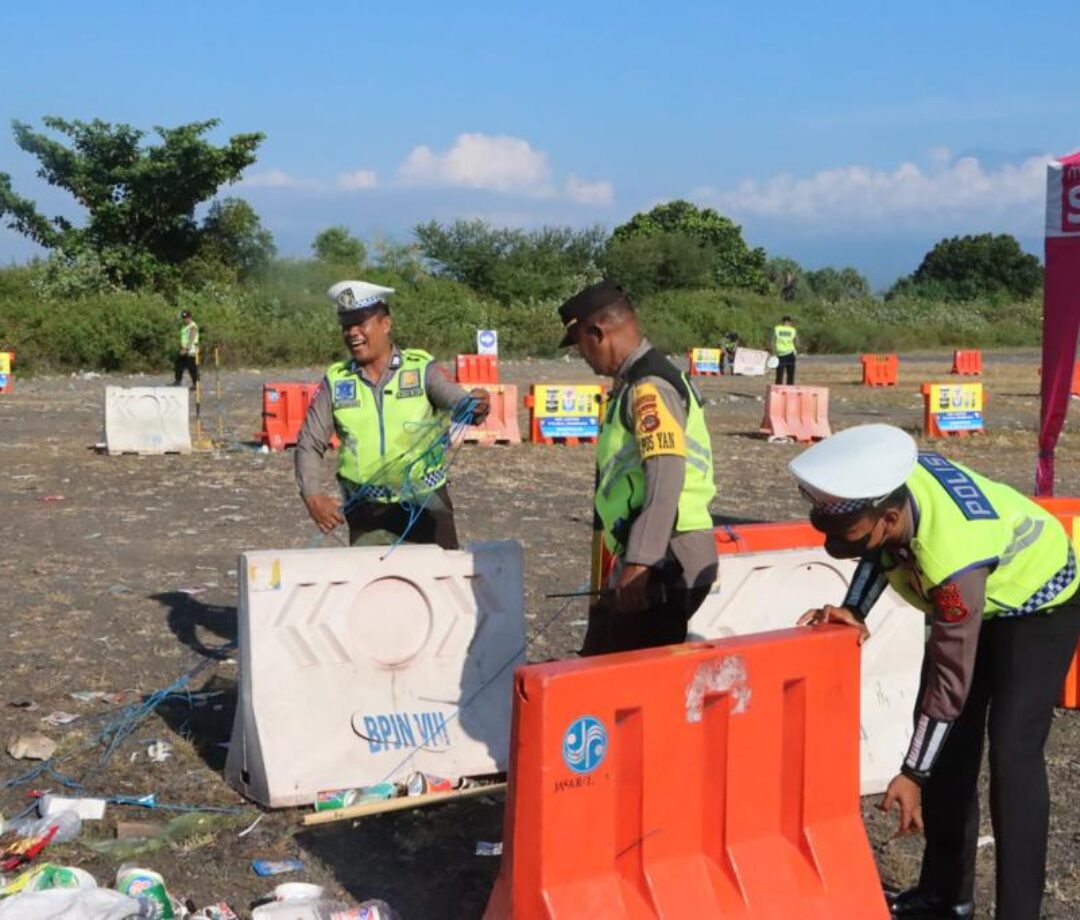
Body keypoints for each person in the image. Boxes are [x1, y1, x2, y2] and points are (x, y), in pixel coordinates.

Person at [790, 424, 1080, 920]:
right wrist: (853, 609)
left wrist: (911, 774)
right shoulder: (890, 485)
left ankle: (1018, 912)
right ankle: (947, 897)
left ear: (886, 516)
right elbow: (879, 550)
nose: (836, 542)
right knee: (950, 747)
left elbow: (950, 680)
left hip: (1037, 601)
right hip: (978, 594)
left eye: (846, 533)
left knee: (1012, 752)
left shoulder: (952, 559)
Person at [557, 279, 718, 655]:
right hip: (662, 553)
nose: (582, 356)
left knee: (620, 678)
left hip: (666, 560)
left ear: (597, 333)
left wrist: (641, 561)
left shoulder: (649, 387)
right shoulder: (635, 383)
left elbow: (665, 476)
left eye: (580, 344)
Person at [295, 280, 490, 549]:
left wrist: (475, 404)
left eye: (361, 323)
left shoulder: (422, 369)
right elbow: (309, 442)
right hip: (365, 513)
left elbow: (457, 400)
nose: (352, 333)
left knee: (434, 588)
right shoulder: (337, 380)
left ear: (385, 324)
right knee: (374, 590)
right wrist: (312, 495)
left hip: (425, 506)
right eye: (346, 326)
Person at [175, 310, 200, 388]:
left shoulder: (193, 326)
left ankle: (196, 384)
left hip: (191, 350)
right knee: (179, 365)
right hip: (184, 348)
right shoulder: (184, 326)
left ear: (190, 317)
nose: (184, 320)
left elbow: (192, 338)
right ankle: (178, 381)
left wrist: (186, 348)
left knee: (192, 368)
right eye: (183, 318)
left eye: (186, 318)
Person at [772, 314, 797, 384]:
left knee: (779, 374)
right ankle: (790, 389)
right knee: (790, 375)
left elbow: (772, 340)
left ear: (782, 322)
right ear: (790, 322)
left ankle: (778, 390)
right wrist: (796, 349)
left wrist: (773, 351)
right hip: (790, 353)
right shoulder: (792, 330)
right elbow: (797, 341)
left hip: (780, 353)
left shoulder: (777, 329)